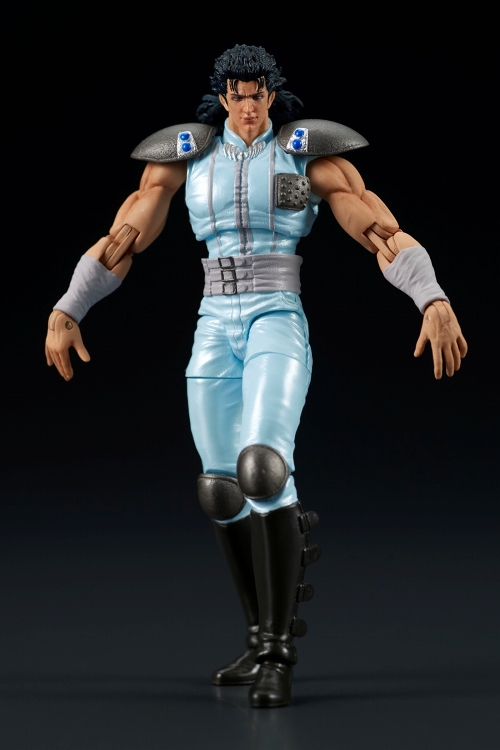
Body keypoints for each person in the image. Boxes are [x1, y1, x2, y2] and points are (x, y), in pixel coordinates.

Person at [45, 44, 467, 708]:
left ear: (272, 94)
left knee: (263, 469)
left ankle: (278, 652)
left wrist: (431, 297)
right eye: (237, 95)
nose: (247, 106)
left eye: (257, 94)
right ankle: (254, 636)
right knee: (220, 488)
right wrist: (70, 306)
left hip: (275, 314)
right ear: (222, 97)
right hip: (214, 321)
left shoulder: (303, 155)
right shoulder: (188, 155)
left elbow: (376, 227)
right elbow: (126, 234)